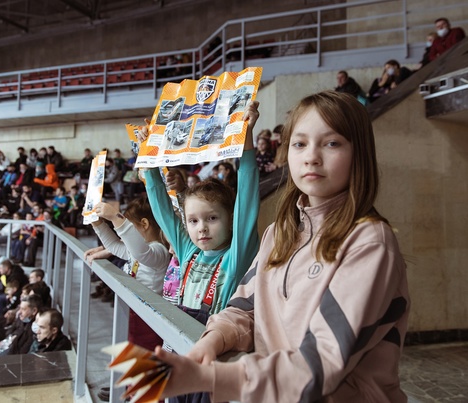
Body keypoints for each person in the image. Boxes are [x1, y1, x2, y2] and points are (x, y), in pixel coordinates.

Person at [154, 90, 410, 402]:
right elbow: (244, 308)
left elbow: (323, 361)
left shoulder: (369, 242)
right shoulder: (278, 234)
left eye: (332, 143)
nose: (311, 156)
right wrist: (215, 338)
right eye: (299, 144)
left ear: (360, 153)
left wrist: (212, 377)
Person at [141, 101, 260, 323]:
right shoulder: (188, 251)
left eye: (212, 218)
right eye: (193, 221)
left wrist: (246, 138)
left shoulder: (235, 256)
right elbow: (161, 209)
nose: (202, 228)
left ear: (231, 220)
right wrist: (148, 155)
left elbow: (247, 196)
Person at [90, 196, 170, 350]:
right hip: (134, 312)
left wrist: (116, 217)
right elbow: (113, 246)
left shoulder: (159, 252)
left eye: (129, 225)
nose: (123, 235)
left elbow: (141, 253)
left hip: (149, 318)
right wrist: (97, 223)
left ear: (144, 224)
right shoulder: (139, 251)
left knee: (144, 356)